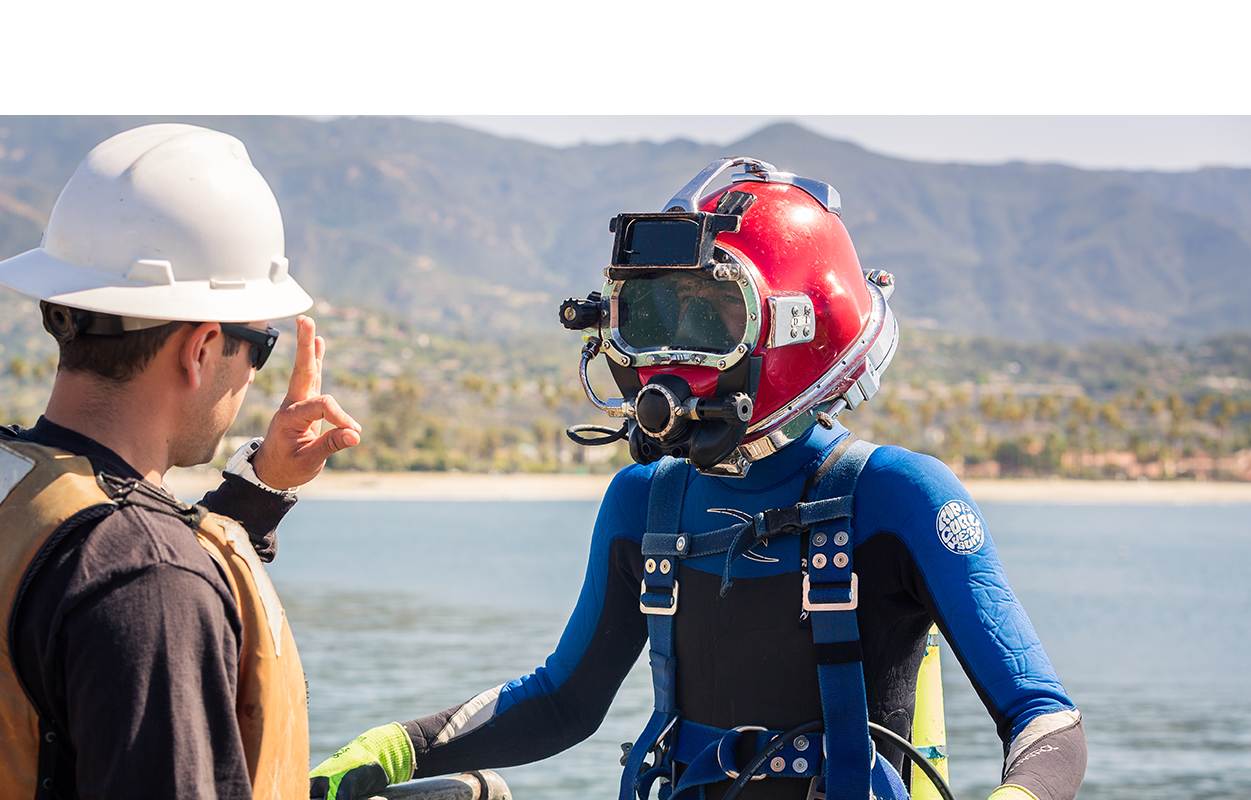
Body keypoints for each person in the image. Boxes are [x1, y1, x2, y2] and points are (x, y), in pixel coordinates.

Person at [310, 157, 1086, 800]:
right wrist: (394, 748)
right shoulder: (643, 503)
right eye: (648, 319)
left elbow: (1045, 720)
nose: (662, 363)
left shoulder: (901, 497)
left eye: (706, 319)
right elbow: (563, 701)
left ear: (795, 330)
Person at [0, 123, 362, 800]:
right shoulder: (150, 581)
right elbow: (134, 574)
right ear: (202, 347)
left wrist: (261, 486)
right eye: (260, 347)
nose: (252, 380)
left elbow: (90, 571)